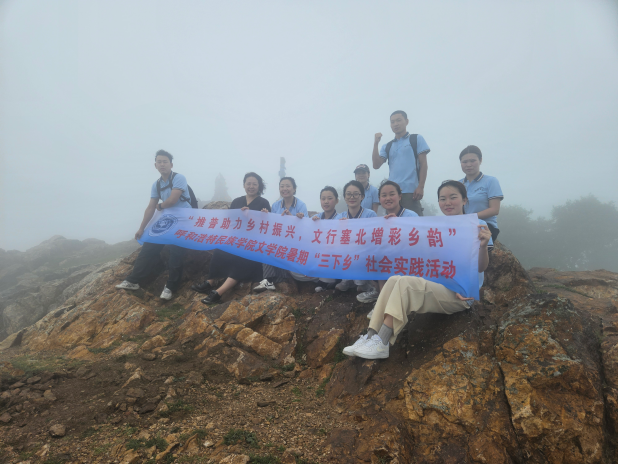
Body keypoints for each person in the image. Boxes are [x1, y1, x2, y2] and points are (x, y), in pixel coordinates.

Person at [342, 180, 492, 359]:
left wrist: (483, 246)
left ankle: (382, 342)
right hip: (441, 285)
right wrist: (396, 225)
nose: (447, 202)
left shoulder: (477, 225)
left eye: (453, 197)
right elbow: (420, 254)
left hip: (462, 294)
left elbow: (481, 267)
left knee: (405, 283)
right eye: (442, 199)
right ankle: (370, 336)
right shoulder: (437, 227)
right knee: (394, 279)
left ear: (465, 200)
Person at [116, 150, 192, 300]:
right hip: (168, 220)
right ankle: (133, 281)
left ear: (171, 164)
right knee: (149, 245)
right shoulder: (156, 185)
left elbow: (173, 200)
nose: (162, 164)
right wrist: (141, 228)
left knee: (176, 251)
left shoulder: (179, 178)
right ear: (155, 165)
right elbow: (151, 207)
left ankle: (170, 287)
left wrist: (161, 206)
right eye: (159, 162)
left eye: (165, 161)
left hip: (184, 220)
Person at [193, 173, 271, 303]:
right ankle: (210, 282)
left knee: (242, 258)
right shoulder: (236, 201)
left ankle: (218, 293)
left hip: (253, 243)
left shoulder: (264, 203)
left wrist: (257, 216)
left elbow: (266, 226)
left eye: (254, 184)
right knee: (219, 250)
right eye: (248, 183)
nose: (251, 186)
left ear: (259, 186)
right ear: (244, 185)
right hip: (236, 240)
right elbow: (230, 222)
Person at [356, 180, 419, 304]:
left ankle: (387, 301)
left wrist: (399, 225)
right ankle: (381, 297)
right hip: (390, 260)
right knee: (376, 256)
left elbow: (418, 243)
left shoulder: (411, 216)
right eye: (384, 195)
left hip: (408, 260)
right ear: (379, 199)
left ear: (399, 196)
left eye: (392, 194)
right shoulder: (381, 220)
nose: (388, 198)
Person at [254, 177, 308, 293]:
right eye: (282, 186)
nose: (284, 189)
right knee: (266, 245)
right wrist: (266, 216)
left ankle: (270, 279)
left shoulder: (301, 205)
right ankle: (269, 280)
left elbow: (306, 229)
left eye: (288, 186)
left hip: (295, 243)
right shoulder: (276, 205)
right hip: (280, 242)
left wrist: (293, 219)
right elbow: (273, 227)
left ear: (294, 189)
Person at [372, 110, 430, 217]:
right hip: (392, 192)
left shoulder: (416, 139)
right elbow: (376, 165)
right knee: (392, 224)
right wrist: (376, 143)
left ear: (406, 121)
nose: (395, 124)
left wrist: (421, 186)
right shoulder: (387, 146)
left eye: (398, 120)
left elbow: (423, 164)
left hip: (411, 192)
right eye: (392, 122)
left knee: (414, 223)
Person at [291, 186, 341, 291]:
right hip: (316, 259)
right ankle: (320, 278)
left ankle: (326, 280)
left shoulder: (340, 218)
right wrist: (300, 220)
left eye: (329, 198)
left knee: (330, 259)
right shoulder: (315, 218)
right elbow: (306, 239)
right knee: (294, 270)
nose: (326, 201)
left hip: (329, 259)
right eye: (323, 199)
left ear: (337, 201)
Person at [335, 180, 378, 295]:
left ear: (362, 196)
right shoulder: (340, 217)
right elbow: (334, 238)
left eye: (355, 194)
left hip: (364, 252)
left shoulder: (370, 215)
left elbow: (374, 237)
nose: (352, 197)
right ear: (344, 197)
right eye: (348, 194)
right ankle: (346, 280)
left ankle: (364, 283)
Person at [458, 145, 503, 242]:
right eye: (464, 162)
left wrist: (469, 218)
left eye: (472, 161)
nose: (468, 165)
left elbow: (494, 210)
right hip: (463, 225)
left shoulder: (491, 181)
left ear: (480, 160)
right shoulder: (457, 184)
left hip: (485, 226)